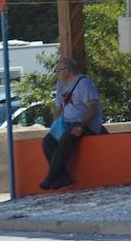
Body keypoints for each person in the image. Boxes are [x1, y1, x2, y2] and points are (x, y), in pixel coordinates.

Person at [40, 57, 104, 190]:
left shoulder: (84, 83)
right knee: (48, 141)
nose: (56, 73)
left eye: (58, 70)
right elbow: (58, 109)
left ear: (68, 70)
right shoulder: (61, 85)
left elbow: (92, 108)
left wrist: (81, 126)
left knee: (67, 137)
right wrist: (54, 127)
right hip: (67, 123)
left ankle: (51, 177)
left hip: (85, 124)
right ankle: (63, 176)